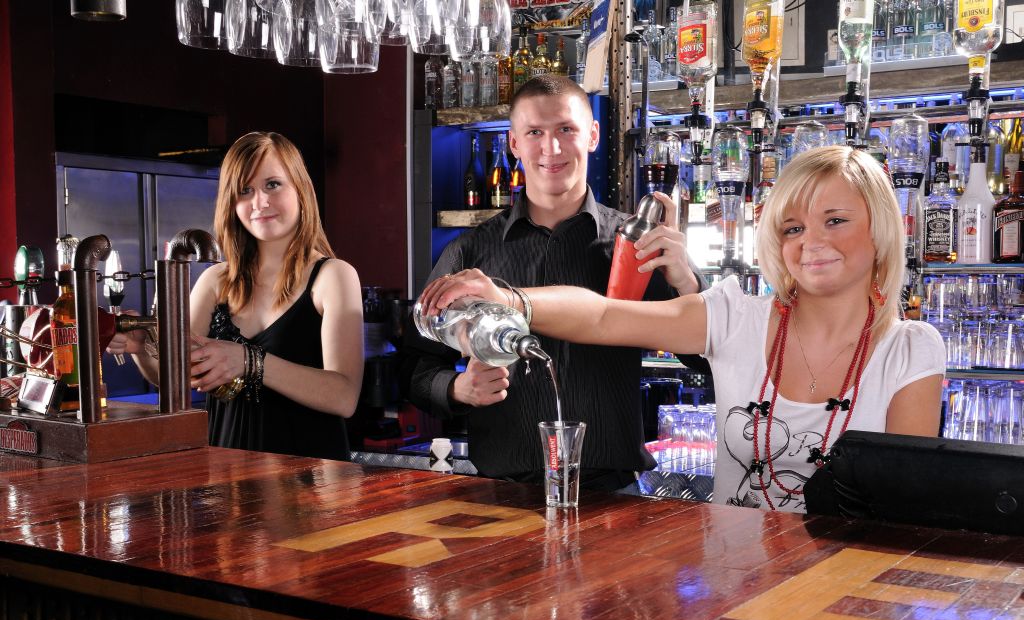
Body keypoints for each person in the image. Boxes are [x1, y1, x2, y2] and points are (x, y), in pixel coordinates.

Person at [418, 145, 946, 513]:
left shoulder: (909, 351)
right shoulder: (736, 318)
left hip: (840, 592)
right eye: (793, 227)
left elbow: (903, 506)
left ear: (879, 229)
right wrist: (510, 299)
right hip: (733, 592)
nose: (811, 241)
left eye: (835, 220)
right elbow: (604, 315)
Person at [401, 75, 706, 492]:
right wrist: (457, 388)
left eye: (566, 129)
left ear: (592, 135)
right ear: (514, 143)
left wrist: (686, 283)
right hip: (502, 492)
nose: (552, 148)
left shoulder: (641, 245)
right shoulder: (468, 253)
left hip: (613, 493)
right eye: (535, 133)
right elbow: (415, 369)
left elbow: (710, 362)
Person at [108, 131, 364, 459]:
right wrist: (143, 347)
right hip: (227, 469)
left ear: (301, 188)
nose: (260, 202)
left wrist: (248, 361)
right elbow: (174, 377)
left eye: (273, 184)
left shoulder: (333, 276)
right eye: (245, 190)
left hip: (309, 476)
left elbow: (344, 397)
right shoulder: (216, 281)